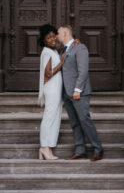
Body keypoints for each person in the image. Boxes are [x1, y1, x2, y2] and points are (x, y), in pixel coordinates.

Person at [56, 24, 104, 161]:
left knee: (84, 120)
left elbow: (83, 71)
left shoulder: (80, 48)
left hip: (78, 92)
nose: (57, 36)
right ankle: (80, 150)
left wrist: (78, 89)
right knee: (75, 122)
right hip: (66, 92)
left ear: (65, 33)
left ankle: (98, 148)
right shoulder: (62, 50)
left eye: (58, 33)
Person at [37, 24, 66, 160]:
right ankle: (44, 147)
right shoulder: (47, 52)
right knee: (49, 116)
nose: (53, 39)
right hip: (51, 89)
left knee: (54, 116)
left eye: (54, 36)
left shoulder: (52, 50)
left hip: (55, 88)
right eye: (49, 38)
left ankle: (47, 148)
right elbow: (48, 73)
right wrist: (62, 62)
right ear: (44, 40)